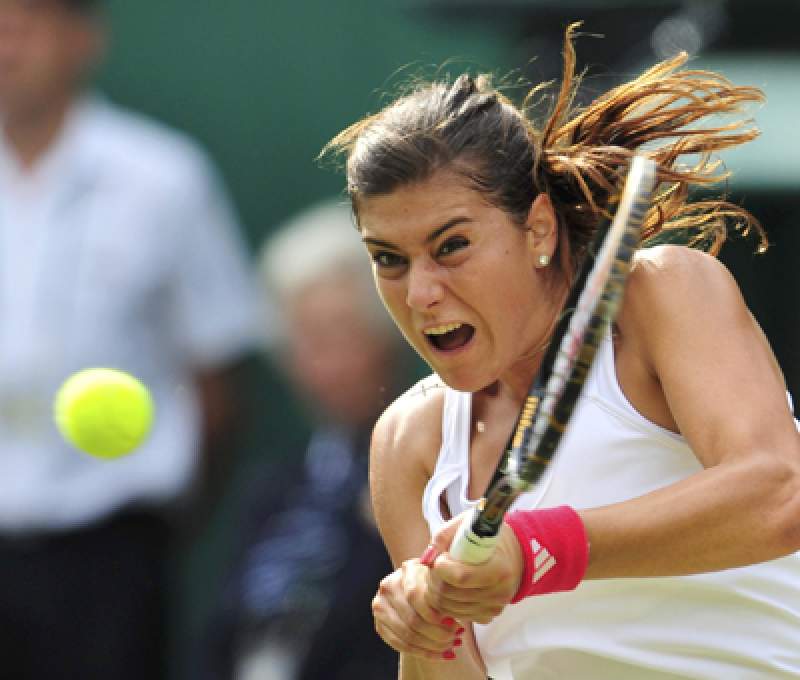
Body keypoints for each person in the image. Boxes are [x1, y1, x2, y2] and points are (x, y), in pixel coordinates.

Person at [320, 23, 800, 680]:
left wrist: (537, 550)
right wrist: (422, 628)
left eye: (451, 246)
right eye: (388, 259)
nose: (421, 293)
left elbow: (780, 494)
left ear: (539, 229)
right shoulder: (409, 441)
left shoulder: (657, 296)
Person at [0, 0, 259, 678]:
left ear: (82, 38)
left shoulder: (164, 177)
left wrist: (162, 527)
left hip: (111, 558)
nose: (6, 46)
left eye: (24, 24)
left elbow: (216, 380)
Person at [194, 200, 407, 680]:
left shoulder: (432, 469)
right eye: (305, 340)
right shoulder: (273, 491)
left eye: (340, 333)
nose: (324, 364)